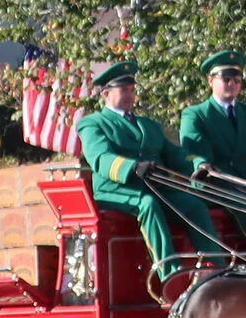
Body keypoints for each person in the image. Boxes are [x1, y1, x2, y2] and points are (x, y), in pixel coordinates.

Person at [75, 60, 224, 281]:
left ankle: (217, 267)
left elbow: (173, 153)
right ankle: (169, 274)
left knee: (193, 205)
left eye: (132, 90)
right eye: (123, 90)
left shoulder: (149, 125)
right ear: (106, 94)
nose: (129, 95)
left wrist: (199, 164)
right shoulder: (93, 124)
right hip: (115, 191)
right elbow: (100, 158)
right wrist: (132, 167)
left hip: (154, 188)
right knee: (148, 205)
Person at [176, 51, 246, 259]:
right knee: (241, 203)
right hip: (216, 185)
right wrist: (202, 164)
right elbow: (194, 152)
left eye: (237, 80)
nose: (232, 84)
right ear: (210, 81)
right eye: (226, 79)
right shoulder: (196, 114)